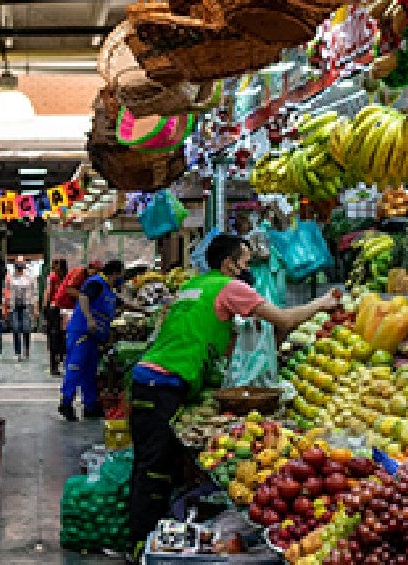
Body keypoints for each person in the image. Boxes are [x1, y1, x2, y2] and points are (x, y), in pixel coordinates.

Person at [126, 233, 341, 560]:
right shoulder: (231, 287)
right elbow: (284, 319)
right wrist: (322, 304)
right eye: (244, 261)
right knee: (154, 468)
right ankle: (143, 545)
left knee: (148, 462)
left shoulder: (194, 286)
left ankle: (147, 540)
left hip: (149, 379)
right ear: (229, 264)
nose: (248, 268)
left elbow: (217, 342)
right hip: (164, 383)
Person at [59, 259, 124, 422]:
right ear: (115, 273)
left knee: (89, 371)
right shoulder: (96, 283)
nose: (122, 279)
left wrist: (143, 310)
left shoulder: (108, 290)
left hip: (93, 336)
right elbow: (83, 297)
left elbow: (121, 304)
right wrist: (89, 319)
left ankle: (90, 405)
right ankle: (66, 402)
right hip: (82, 332)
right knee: (75, 367)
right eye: (121, 275)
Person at [4, 257, 36, 361]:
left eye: (21, 263)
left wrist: (35, 307)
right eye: (18, 263)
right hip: (14, 306)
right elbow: (6, 291)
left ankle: (26, 350)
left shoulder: (30, 277)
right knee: (16, 329)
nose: (19, 266)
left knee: (26, 328)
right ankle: (17, 352)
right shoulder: (10, 277)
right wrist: (6, 306)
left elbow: (35, 293)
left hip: (26, 305)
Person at [43, 259, 69, 375]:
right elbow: (48, 292)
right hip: (60, 309)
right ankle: (57, 363)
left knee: (56, 336)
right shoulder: (59, 277)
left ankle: (56, 364)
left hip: (58, 309)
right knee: (59, 336)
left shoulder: (54, 277)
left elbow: (47, 293)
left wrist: (45, 307)